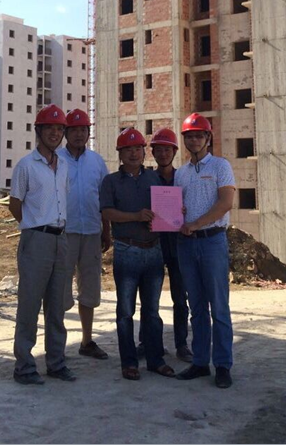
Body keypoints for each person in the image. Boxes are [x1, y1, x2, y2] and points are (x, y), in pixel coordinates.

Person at [99, 127, 175, 381]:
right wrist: (136, 216)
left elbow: (165, 209)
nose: (133, 153)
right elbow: (107, 212)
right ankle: (129, 362)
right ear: (120, 154)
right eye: (127, 149)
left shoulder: (154, 178)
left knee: (152, 311)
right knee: (125, 312)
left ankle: (155, 360)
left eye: (137, 149)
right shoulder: (110, 182)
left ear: (144, 152)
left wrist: (174, 214)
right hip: (126, 250)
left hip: (154, 250)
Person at [9, 104, 76, 385]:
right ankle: (24, 367)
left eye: (59, 129)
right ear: (38, 131)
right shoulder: (26, 166)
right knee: (29, 304)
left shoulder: (64, 166)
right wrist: (34, 226)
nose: (55, 133)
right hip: (36, 239)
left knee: (57, 306)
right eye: (50, 128)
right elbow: (15, 204)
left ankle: (56, 363)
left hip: (61, 239)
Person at [174, 113, 236, 389]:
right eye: (189, 136)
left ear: (208, 138)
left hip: (212, 241)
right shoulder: (181, 173)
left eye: (199, 135)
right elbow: (177, 207)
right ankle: (200, 361)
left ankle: (222, 365)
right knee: (197, 307)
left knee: (219, 306)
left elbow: (225, 203)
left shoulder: (221, 166)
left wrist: (196, 223)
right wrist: (175, 215)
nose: (194, 140)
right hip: (187, 244)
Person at [136, 128, 192, 363]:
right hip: (155, 244)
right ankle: (147, 342)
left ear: (174, 152)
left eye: (167, 149)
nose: (163, 154)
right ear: (153, 153)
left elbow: (191, 204)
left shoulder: (183, 178)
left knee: (180, 299)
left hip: (178, 245)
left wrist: (185, 211)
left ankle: (182, 344)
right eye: (158, 150)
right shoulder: (147, 179)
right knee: (150, 299)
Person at [58, 108, 111, 360]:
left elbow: (104, 199)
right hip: (63, 233)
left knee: (89, 287)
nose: (79, 134)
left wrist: (106, 230)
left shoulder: (97, 162)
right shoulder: (55, 159)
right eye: (74, 130)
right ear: (65, 133)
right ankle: (56, 345)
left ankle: (87, 341)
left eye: (83, 130)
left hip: (91, 232)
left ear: (89, 133)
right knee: (59, 288)